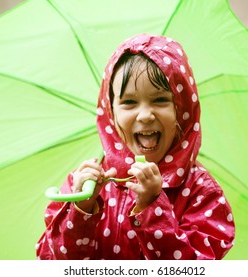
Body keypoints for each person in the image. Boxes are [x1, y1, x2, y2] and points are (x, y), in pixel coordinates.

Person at [36, 33, 235, 260]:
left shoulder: (200, 193)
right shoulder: (85, 185)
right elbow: (52, 261)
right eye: (129, 102)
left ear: (183, 108)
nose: (145, 115)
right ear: (111, 112)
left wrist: (153, 208)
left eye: (160, 100)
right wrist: (80, 210)